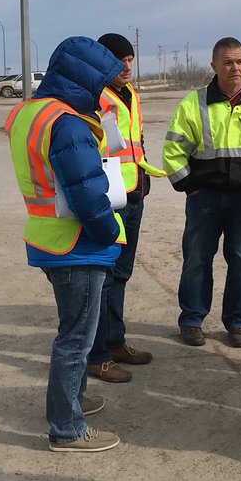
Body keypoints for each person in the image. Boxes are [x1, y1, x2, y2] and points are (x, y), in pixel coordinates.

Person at [6, 37, 126, 452]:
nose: (105, 90)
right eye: (102, 81)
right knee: (76, 339)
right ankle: (67, 427)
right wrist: (110, 231)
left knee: (72, 333)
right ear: (85, 79)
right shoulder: (69, 123)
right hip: (78, 244)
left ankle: (71, 401)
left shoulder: (31, 112)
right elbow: (87, 194)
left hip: (51, 240)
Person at [163, 37, 241, 347]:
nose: (235, 68)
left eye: (239, 61)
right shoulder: (193, 104)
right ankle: (192, 318)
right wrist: (189, 186)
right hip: (204, 198)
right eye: (228, 62)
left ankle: (238, 321)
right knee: (196, 259)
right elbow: (173, 150)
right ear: (214, 66)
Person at [85, 32, 161, 384]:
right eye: (120, 61)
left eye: (130, 60)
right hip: (109, 197)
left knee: (122, 275)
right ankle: (97, 355)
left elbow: (136, 142)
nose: (127, 67)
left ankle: (115, 342)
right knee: (103, 278)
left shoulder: (131, 95)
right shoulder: (92, 97)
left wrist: (144, 182)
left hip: (133, 194)